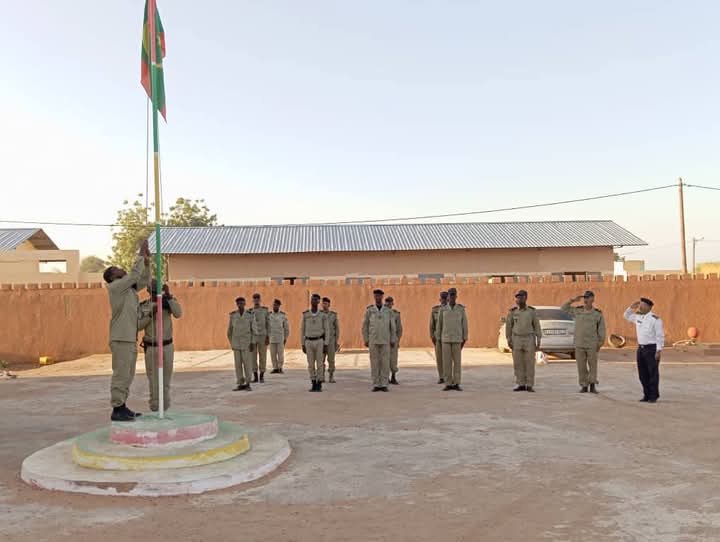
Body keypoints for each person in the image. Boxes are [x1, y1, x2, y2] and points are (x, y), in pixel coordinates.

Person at [102, 240, 151, 422]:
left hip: (129, 338)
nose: (121, 269)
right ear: (112, 277)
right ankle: (117, 408)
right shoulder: (116, 287)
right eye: (117, 269)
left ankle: (122, 406)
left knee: (128, 375)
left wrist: (147, 264)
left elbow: (142, 280)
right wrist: (140, 255)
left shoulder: (128, 289)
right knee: (121, 374)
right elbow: (134, 275)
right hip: (121, 338)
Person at [138, 280, 182, 412]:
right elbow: (138, 326)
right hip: (152, 347)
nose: (154, 289)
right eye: (152, 287)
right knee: (153, 380)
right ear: (147, 290)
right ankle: (155, 407)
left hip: (166, 346)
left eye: (157, 286)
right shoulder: (143, 306)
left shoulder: (167, 303)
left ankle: (165, 407)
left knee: (166, 380)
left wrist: (168, 296)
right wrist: (151, 314)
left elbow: (178, 313)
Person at [562, 291, 606, 393]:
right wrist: (573, 300)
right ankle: (584, 385)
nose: (586, 299)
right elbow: (563, 308)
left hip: (592, 344)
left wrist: (600, 343)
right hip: (579, 343)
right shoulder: (578, 311)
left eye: (588, 297)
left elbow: (601, 329)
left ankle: (592, 385)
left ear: (593, 299)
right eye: (585, 297)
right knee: (581, 366)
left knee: (593, 366)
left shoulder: (597, 314)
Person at [624, 298, 665, 403]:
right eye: (640, 305)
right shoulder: (638, 316)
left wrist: (658, 350)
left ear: (649, 307)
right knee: (642, 374)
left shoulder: (655, 319)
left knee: (652, 373)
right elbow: (626, 316)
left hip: (651, 349)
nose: (640, 307)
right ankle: (646, 395)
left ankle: (653, 396)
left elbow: (660, 336)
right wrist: (631, 307)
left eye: (643, 305)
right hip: (641, 349)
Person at [506, 290, 542, 392]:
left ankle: (529, 384)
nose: (519, 299)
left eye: (521, 297)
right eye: (517, 297)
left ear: (526, 298)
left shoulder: (531, 311)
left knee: (529, 362)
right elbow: (509, 326)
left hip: (529, 338)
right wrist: (509, 339)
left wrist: (538, 338)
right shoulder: (513, 312)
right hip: (517, 338)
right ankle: (521, 383)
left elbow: (536, 325)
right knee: (518, 363)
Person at [362, 289, 397, 392]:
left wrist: (393, 339)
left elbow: (392, 327)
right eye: (376, 296)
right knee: (374, 363)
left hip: (385, 340)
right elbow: (365, 326)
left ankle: (384, 384)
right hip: (373, 340)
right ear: (374, 297)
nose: (377, 297)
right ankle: (376, 384)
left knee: (385, 363)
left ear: (382, 297)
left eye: (379, 296)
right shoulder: (370, 311)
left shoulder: (388, 311)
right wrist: (366, 339)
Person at [437, 287, 468, 391]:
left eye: (454, 295)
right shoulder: (443, 309)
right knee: (447, 363)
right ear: (448, 297)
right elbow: (439, 325)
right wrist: (438, 338)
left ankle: (456, 383)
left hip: (457, 339)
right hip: (445, 339)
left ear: (456, 296)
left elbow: (464, 324)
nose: (452, 297)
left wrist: (464, 338)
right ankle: (448, 383)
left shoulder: (461, 309)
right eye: (451, 295)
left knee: (457, 363)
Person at [302, 293, 329, 392]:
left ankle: (319, 383)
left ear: (318, 302)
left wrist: (326, 343)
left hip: (319, 341)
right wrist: (303, 343)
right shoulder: (306, 315)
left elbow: (327, 330)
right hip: (308, 341)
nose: (313, 301)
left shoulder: (322, 315)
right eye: (312, 299)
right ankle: (313, 382)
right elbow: (302, 330)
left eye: (315, 300)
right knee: (310, 364)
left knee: (320, 364)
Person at [227, 297, 256, 391]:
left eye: (242, 303)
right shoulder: (233, 315)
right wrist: (232, 343)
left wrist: (252, 342)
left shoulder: (250, 315)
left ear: (245, 304)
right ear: (236, 304)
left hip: (247, 344)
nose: (240, 305)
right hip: (236, 344)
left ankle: (248, 383)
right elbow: (229, 332)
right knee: (238, 365)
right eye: (238, 303)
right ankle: (240, 383)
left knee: (247, 364)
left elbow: (254, 330)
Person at [429, 291, 449, 384]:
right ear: (440, 299)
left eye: (445, 298)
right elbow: (432, 325)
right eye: (442, 298)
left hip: (448, 337)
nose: (443, 300)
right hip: (438, 337)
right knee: (439, 358)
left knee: (448, 358)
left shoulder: (451, 309)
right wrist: (432, 336)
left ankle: (448, 376)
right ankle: (441, 377)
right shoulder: (435, 310)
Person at [250, 293, 270, 383]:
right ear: (253, 300)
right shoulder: (250, 311)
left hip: (263, 336)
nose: (256, 300)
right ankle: (255, 376)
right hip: (253, 337)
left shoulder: (265, 311)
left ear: (260, 300)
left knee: (263, 356)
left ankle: (262, 375)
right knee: (252, 357)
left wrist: (268, 336)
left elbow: (268, 324)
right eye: (255, 299)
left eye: (258, 299)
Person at [321, 297, 340, 383]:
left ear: (329, 305)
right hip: (322, 340)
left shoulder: (333, 315)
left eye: (326, 303)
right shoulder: (319, 314)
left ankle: (331, 375)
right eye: (323, 303)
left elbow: (337, 329)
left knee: (331, 359)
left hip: (331, 340)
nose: (324, 305)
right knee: (321, 359)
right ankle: (321, 376)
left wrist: (336, 341)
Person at [268, 299, 290, 374]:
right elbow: (267, 327)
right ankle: (275, 368)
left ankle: (280, 367)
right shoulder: (269, 315)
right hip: (272, 338)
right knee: (272, 354)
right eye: (274, 305)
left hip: (280, 338)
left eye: (276, 305)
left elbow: (286, 328)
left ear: (279, 306)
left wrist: (285, 338)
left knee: (280, 354)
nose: (275, 306)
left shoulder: (282, 315)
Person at [385, 296, 403, 385]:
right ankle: (386, 377)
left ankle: (393, 377)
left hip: (393, 340)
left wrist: (397, 340)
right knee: (384, 360)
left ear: (393, 303)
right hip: (384, 340)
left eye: (390, 302)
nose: (389, 303)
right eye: (387, 302)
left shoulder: (396, 314)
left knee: (393, 360)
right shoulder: (382, 313)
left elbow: (399, 329)